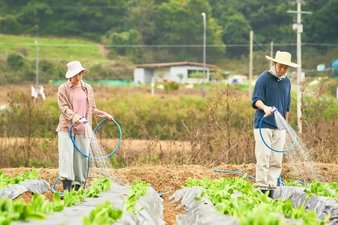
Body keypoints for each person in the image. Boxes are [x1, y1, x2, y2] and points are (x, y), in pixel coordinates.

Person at [56, 61, 114, 192]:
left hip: (83, 128)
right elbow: (64, 107)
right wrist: (74, 116)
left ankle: (77, 187)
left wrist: (105, 115)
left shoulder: (88, 88)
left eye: (80, 74)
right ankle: (66, 188)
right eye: (75, 75)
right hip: (67, 128)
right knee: (67, 157)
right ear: (70, 76)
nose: (78, 77)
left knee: (81, 158)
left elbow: (92, 108)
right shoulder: (63, 89)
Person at [251, 51, 298, 197]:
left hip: (279, 127)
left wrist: (286, 124)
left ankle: (272, 187)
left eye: (285, 67)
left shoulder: (287, 82)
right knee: (264, 157)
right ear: (275, 64)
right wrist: (265, 107)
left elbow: (287, 106)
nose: (282, 69)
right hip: (263, 124)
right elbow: (255, 100)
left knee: (276, 159)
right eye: (280, 66)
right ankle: (261, 187)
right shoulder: (263, 78)